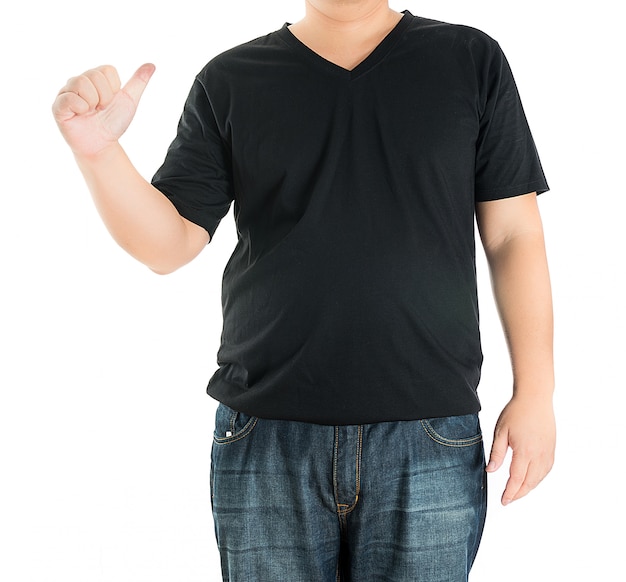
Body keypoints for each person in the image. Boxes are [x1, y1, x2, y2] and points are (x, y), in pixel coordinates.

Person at [52, 1, 556, 580]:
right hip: (266, 434)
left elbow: (513, 233)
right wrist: (98, 153)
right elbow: (171, 243)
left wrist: (536, 392)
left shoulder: (470, 60)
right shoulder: (232, 80)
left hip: (429, 432)